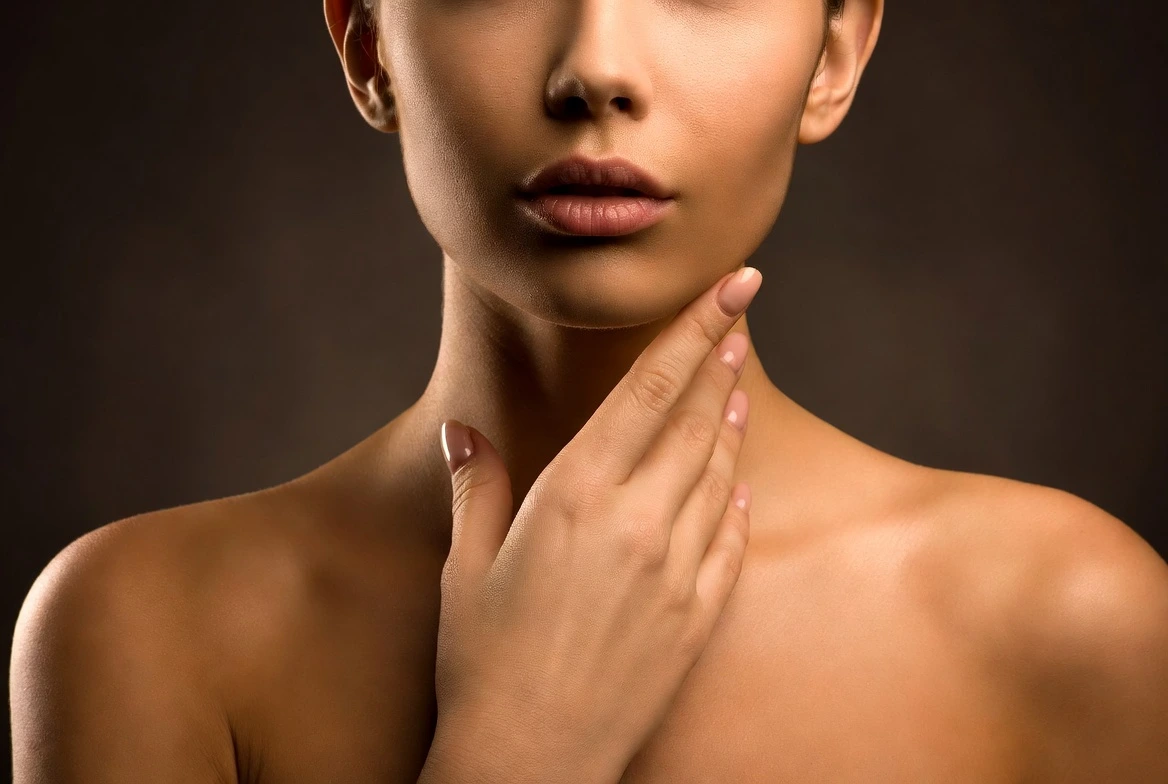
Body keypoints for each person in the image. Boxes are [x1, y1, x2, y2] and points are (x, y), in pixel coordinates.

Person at [10, 0, 1168, 780]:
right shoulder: (147, 631)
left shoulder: (1074, 624)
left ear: (833, 52)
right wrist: (513, 746)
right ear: (369, 47)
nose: (596, 70)